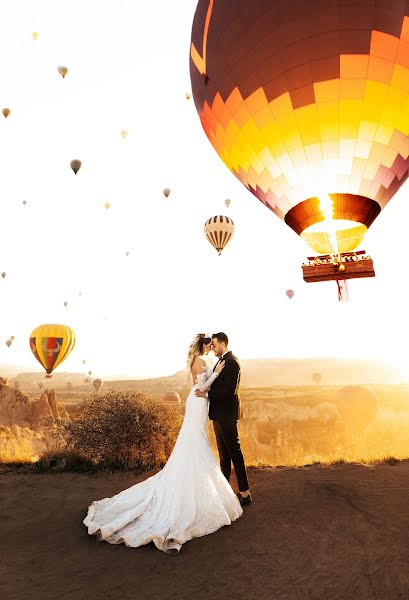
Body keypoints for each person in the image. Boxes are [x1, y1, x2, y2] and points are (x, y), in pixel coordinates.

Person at [83, 333, 242, 554]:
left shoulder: (195, 360)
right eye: (209, 345)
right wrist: (215, 374)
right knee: (196, 442)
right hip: (198, 403)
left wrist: (209, 382)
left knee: (194, 441)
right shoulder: (203, 362)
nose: (211, 347)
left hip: (197, 403)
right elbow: (203, 387)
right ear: (204, 345)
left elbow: (200, 388)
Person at [195, 332, 251, 506]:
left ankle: (245, 493)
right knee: (223, 454)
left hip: (226, 413)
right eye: (210, 345)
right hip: (218, 414)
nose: (212, 348)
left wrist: (208, 393)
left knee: (235, 452)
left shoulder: (232, 362)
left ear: (223, 344)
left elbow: (229, 391)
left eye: (214, 345)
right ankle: (225, 491)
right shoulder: (220, 361)